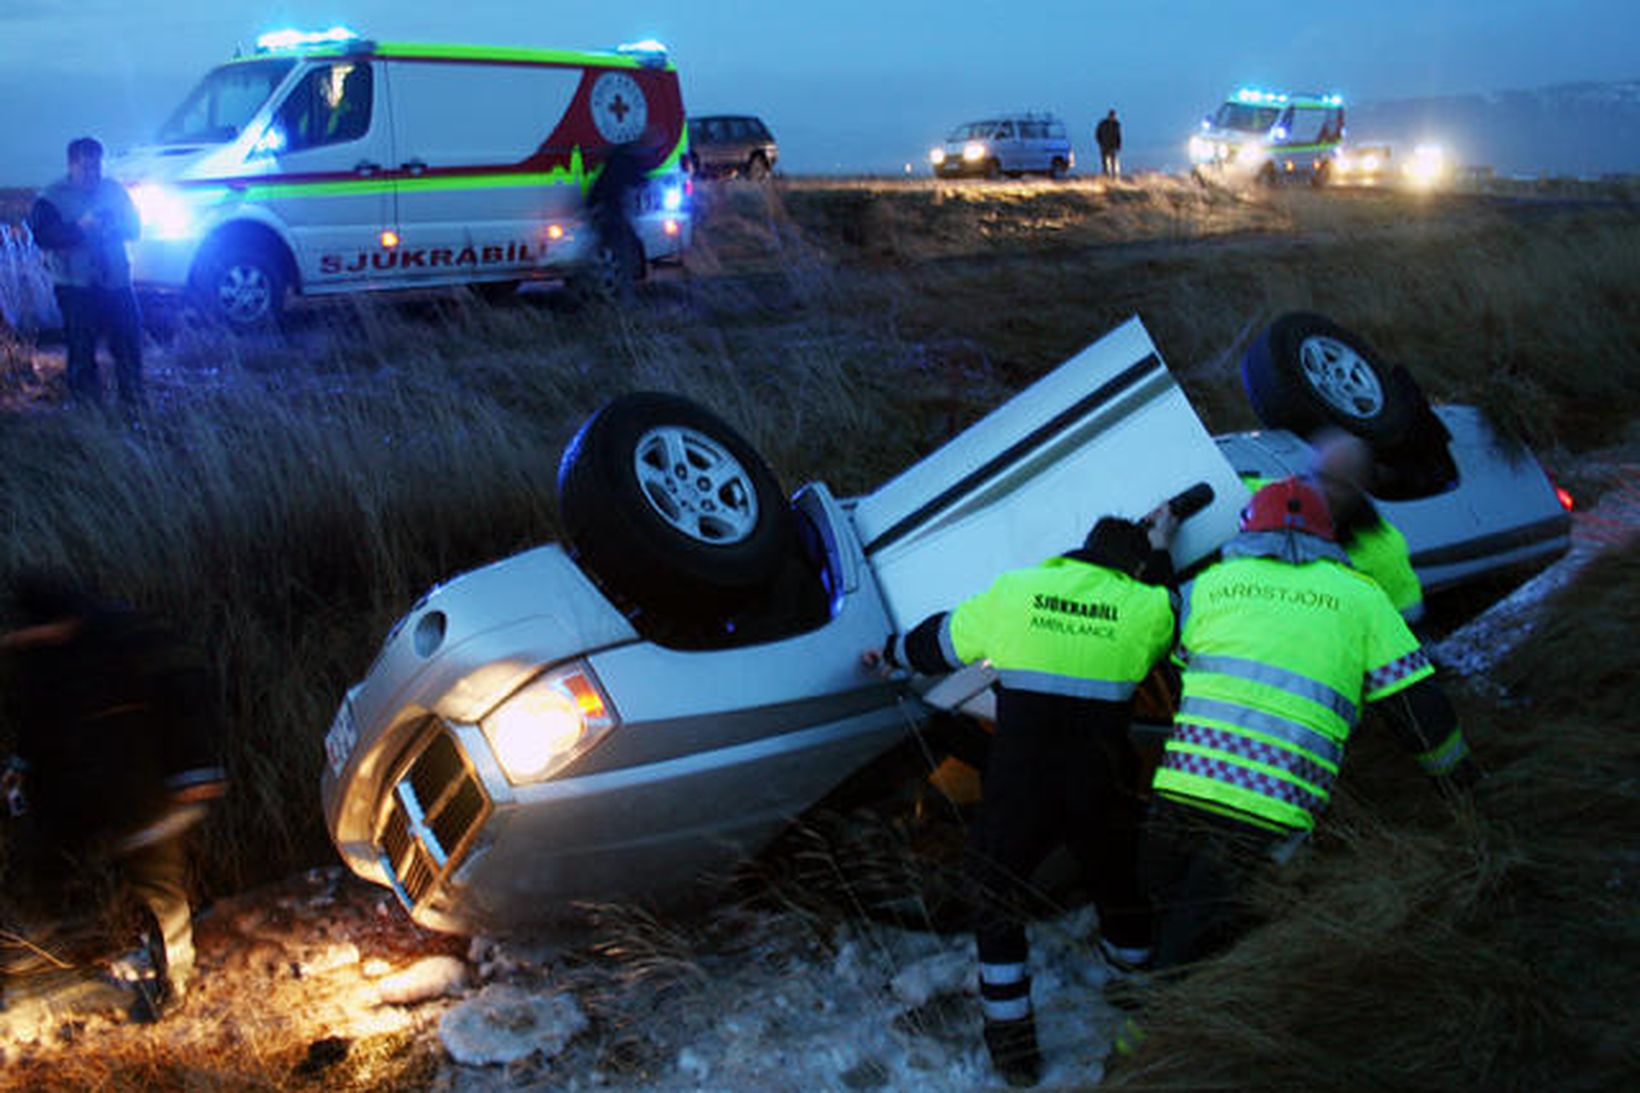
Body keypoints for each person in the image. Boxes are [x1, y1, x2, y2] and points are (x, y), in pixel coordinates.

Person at [865, 506, 1180, 1087]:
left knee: (995, 901)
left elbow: (937, 643)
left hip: (1020, 787)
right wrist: (1161, 549)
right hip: (1100, 784)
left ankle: (1013, 1050)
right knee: (1119, 892)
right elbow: (1173, 610)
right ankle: (1137, 1000)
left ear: (1079, 550)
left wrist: (888, 655)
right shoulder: (1146, 605)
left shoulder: (1018, 592)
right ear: (1130, 566)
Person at [1143, 477, 1478, 970]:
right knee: (1199, 927)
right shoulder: (1361, 596)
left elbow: (1185, 659)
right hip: (1274, 799)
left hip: (1182, 786)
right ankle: (1164, 1016)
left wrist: (1158, 546)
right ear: (1328, 537)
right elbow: (1419, 711)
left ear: (1249, 529)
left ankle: (1146, 1021)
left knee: (1165, 904)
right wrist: (1463, 785)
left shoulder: (1215, 584)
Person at [1, 572, 226, 1019]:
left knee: (157, 885)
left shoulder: (124, 634)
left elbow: (184, 694)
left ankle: (175, 980)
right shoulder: (42, 656)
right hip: (74, 789)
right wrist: (21, 768)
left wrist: (195, 769)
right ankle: (43, 968)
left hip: (141, 785)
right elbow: (37, 715)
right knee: (49, 870)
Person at [28, 137, 145, 409]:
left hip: (116, 281)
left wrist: (109, 228)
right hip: (75, 285)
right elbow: (44, 236)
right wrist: (80, 229)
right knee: (82, 349)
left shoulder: (114, 191)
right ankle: (88, 412)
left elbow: (135, 228)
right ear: (71, 165)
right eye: (86, 168)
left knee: (128, 343)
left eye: (97, 167)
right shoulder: (51, 197)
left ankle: (133, 407)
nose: (93, 174)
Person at [1095, 109, 1122, 179]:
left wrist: (1118, 145)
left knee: (1113, 163)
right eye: (1111, 115)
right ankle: (1106, 177)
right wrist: (1101, 143)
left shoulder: (1117, 124)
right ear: (1109, 115)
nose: (1113, 117)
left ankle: (1114, 178)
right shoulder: (1103, 123)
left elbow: (1118, 136)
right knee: (1105, 164)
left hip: (1112, 147)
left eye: (1114, 116)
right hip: (1104, 146)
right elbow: (1097, 134)